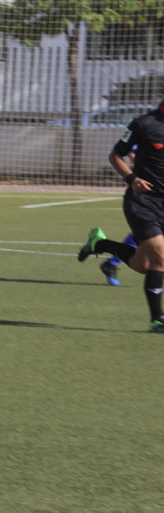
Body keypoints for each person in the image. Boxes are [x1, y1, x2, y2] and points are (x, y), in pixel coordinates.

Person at [78, 89, 164, 331]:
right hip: (142, 200)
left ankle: (99, 244)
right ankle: (157, 319)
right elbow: (116, 155)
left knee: (142, 266)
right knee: (160, 253)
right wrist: (132, 178)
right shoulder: (144, 124)